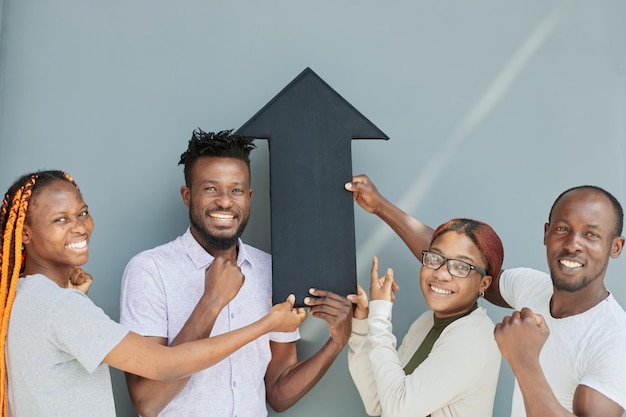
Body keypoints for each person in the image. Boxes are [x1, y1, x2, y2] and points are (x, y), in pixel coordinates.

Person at [0, 170, 305, 417]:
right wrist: (266, 325)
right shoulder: (62, 306)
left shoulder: (25, 296)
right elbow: (165, 365)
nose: (80, 227)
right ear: (24, 233)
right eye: (60, 219)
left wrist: (73, 296)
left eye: (82, 213)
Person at [345, 174, 626, 417]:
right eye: (563, 229)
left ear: (615, 247)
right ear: (546, 233)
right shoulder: (532, 287)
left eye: (591, 235)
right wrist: (380, 206)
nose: (573, 244)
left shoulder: (615, 341)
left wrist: (524, 360)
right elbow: (463, 265)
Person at [119, 129, 353, 417]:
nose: (226, 202)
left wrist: (336, 342)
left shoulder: (272, 270)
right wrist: (211, 301)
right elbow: (148, 401)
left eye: (236, 190)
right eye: (211, 188)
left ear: (249, 196)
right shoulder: (149, 271)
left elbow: (278, 393)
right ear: (187, 195)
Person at [348, 218, 503, 417]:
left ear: (484, 283)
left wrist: (380, 316)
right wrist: (362, 324)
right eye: (435, 259)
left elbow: (399, 410)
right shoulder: (426, 322)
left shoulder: (474, 337)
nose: (441, 274)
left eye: (462, 267)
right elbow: (378, 402)